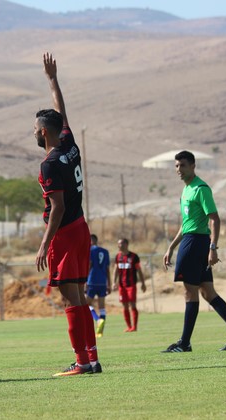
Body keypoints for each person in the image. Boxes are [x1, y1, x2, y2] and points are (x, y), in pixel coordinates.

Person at [35, 52, 100, 376]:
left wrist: (44, 244)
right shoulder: (69, 143)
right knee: (80, 296)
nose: (33, 132)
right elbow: (62, 112)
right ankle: (92, 357)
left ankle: (81, 361)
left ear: (45, 132)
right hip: (80, 228)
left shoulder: (49, 163)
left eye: (35, 128)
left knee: (71, 300)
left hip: (63, 232)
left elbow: (57, 207)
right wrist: (52, 80)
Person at [162, 150, 226, 352]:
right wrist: (171, 246)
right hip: (191, 240)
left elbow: (214, 218)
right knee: (207, 292)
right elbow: (186, 224)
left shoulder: (201, 188)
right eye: (176, 166)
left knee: (189, 292)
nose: (179, 170)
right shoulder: (186, 190)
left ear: (193, 166)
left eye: (183, 165)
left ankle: (184, 343)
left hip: (196, 244)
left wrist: (213, 247)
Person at [113, 238, 146, 332]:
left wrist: (143, 283)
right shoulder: (118, 256)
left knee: (133, 305)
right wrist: (113, 282)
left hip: (131, 285)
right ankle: (129, 326)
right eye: (118, 244)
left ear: (126, 244)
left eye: (121, 244)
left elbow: (139, 271)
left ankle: (134, 327)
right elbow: (115, 270)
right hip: (121, 286)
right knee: (124, 306)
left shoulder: (134, 256)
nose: (119, 245)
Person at [86, 234, 111, 338]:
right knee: (102, 307)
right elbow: (108, 269)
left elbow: (89, 265)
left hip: (92, 281)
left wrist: (84, 280)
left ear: (91, 241)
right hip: (102, 282)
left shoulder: (90, 251)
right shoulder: (105, 251)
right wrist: (108, 283)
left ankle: (97, 319)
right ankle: (100, 332)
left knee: (87, 305)